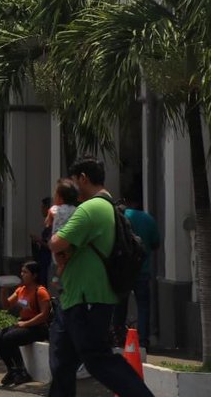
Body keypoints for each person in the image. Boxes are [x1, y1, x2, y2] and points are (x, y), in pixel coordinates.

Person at [48, 157, 154, 397]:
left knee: (97, 359)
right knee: (62, 363)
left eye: (75, 182)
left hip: (88, 298)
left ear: (83, 179)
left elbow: (57, 243)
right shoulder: (107, 205)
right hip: (77, 297)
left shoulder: (91, 208)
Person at [0, 260, 51, 386]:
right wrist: (3, 291)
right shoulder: (21, 290)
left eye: (25, 272)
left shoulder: (40, 291)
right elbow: (6, 305)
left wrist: (26, 324)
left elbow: (44, 315)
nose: (22, 274)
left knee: (9, 338)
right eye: (22, 272)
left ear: (34, 275)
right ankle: (12, 370)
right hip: (24, 324)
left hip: (37, 327)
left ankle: (22, 371)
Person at [114, 200, 160, 350]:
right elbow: (156, 244)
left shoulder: (118, 217)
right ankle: (142, 341)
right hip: (142, 270)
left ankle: (119, 336)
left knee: (120, 305)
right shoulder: (148, 219)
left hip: (123, 271)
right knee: (143, 307)